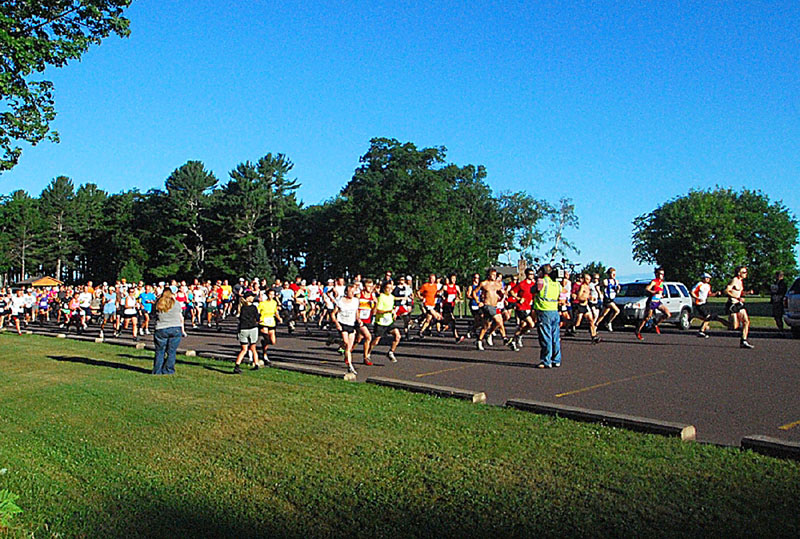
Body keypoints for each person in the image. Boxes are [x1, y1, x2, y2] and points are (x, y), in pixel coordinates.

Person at [533, 264, 561, 368]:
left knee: (546, 337)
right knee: (555, 337)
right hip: (554, 310)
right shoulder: (556, 283)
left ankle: (546, 360)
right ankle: (556, 359)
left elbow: (534, 290)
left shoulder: (542, 281)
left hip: (544, 310)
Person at [152, 288, 185, 375]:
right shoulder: (176, 303)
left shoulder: (158, 304)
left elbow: (153, 314)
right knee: (172, 351)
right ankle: (169, 370)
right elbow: (180, 314)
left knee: (160, 351)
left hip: (161, 327)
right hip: (175, 327)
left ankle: (157, 370)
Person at [369, 280, 402, 362]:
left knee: (397, 336)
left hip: (389, 322)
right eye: (388, 288)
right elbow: (377, 311)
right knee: (376, 340)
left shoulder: (391, 297)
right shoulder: (381, 297)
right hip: (380, 322)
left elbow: (392, 308)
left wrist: (394, 313)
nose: (390, 290)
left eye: (391, 288)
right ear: (384, 289)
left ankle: (391, 352)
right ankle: (368, 353)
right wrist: (387, 311)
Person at [475, 268, 508, 350]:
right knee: (499, 320)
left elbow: (501, 293)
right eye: (492, 275)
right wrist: (478, 301)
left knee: (486, 325)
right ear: (489, 275)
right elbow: (474, 292)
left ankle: (479, 340)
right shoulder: (484, 283)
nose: (494, 276)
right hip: (487, 306)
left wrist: (503, 296)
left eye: (495, 275)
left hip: (495, 306)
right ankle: (504, 338)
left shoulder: (498, 284)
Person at [331, 282, 360, 375]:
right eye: (350, 292)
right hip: (342, 323)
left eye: (353, 292)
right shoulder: (341, 301)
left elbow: (356, 312)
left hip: (351, 324)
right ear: (346, 292)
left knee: (349, 347)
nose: (352, 293)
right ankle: (350, 364)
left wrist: (359, 320)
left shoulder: (356, 301)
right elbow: (333, 314)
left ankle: (349, 365)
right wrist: (336, 323)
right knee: (346, 342)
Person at [723, 266, 754, 349]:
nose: (746, 274)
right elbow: (726, 291)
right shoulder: (734, 280)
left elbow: (739, 292)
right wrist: (736, 297)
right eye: (744, 272)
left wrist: (747, 293)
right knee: (734, 326)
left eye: (746, 272)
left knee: (746, 321)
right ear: (739, 273)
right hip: (732, 304)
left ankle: (744, 340)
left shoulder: (741, 281)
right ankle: (717, 319)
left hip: (739, 304)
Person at [636, 267, 670, 341]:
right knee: (647, 318)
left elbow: (660, 292)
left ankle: (656, 323)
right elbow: (647, 288)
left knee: (667, 314)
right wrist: (653, 292)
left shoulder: (661, 282)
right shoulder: (654, 282)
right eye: (660, 274)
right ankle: (638, 331)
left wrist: (662, 295)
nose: (662, 275)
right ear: (656, 274)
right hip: (651, 302)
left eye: (663, 274)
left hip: (658, 302)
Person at [233, 292, 260, 373]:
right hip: (252, 328)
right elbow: (257, 318)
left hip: (243, 329)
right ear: (248, 297)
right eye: (251, 296)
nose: (253, 298)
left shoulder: (241, 307)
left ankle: (237, 365)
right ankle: (256, 364)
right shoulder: (253, 307)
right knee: (253, 348)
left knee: (244, 349)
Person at [257, 289, 281, 365]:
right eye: (270, 294)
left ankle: (264, 343)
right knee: (267, 338)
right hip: (263, 322)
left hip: (271, 323)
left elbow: (275, 312)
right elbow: (257, 312)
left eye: (273, 294)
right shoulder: (262, 303)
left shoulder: (274, 303)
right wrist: (258, 319)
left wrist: (279, 318)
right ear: (267, 295)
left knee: (273, 341)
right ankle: (265, 355)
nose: (272, 296)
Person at [690, 273, 716, 338]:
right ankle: (701, 331)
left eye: (709, 278)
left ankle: (694, 317)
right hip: (698, 303)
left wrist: (716, 294)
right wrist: (697, 298)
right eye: (707, 278)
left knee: (708, 317)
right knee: (708, 316)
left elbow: (709, 294)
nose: (708, 279)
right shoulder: (699, 284)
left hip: (704, 303)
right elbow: (692, 292)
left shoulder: (708, 286)